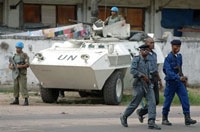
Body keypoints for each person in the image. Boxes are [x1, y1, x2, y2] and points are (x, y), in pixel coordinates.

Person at [120, 44, 161, 130]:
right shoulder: (137, 59)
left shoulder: (150, 59)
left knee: (152, 102)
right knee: (134, 103)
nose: (145, 51)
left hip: (148, 84)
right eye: (143, 50)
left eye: (147, 50)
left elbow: (153, 70)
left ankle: (151, 122)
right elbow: (132, 70)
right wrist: (142, 75)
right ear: (140, 51)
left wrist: (157, 79)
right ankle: (124, 116)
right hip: (139, 84)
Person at [162, 40, 197, 126]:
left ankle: (187, 118)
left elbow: (179, 69)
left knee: (185, 98)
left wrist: (183, 78)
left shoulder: (179, 56)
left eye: (179, 46)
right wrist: (178, 77)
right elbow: (167, 71)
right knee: (168, 100)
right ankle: (164, 118)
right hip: (171, 82)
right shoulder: (168, 57)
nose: (177, 48)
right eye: (175, 46)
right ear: (172, 46)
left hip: (179, 82)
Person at [136, 37, 163, 123]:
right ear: (146, 44)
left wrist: (159, 80)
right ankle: (151, 121)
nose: (153, 44)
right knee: (152, 101)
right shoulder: (143, 55)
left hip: (154, 78)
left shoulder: (154, 54)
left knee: (157, 101)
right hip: (147, 79)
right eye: (151, 43)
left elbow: (155, 69)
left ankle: (141, 112)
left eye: (153, 42)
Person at [9, 42, 30, 106]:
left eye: (18, 48)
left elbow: (27, 64)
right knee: (15, 87)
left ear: (21, 48)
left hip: (22, 73)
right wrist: (11, 67)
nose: (17, 49)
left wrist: (21, 66)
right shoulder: (14, 56)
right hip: (15, 74)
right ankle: (16, 99)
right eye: (16, 48)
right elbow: (11, 64)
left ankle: (26, 100)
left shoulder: (24, 55)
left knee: (23, 87)